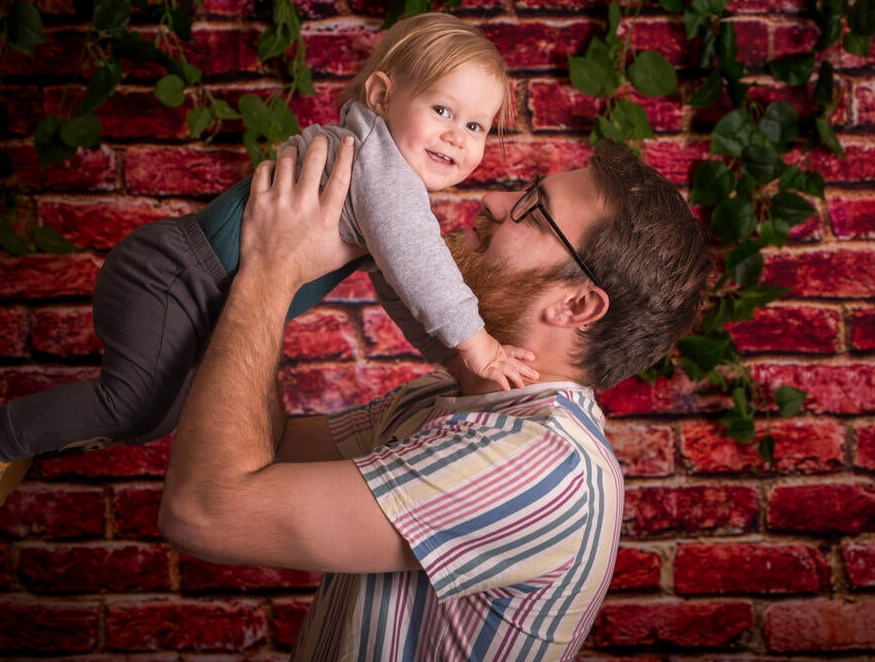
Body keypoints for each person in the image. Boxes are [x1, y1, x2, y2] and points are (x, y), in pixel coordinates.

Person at [0, 13, 538, 517]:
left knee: (155, 418)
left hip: (197, 300)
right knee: (130, 403)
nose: (457, 137)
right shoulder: (376, 166)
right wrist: (477, 345)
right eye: (441, 108)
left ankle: (36, 437)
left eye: (476, 126)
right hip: (172, 276)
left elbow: (404, 290)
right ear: (382, 97)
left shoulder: (388, 192)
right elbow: (421, 264)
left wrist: (453, 359)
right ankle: (0, 433)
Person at [158, 134, 713, 660]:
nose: (495, 200)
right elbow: (264, 445)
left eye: (532, 210)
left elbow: (201, 511)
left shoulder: (538, 464)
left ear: (574, 306)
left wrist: (271, 270)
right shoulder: (450, 399)